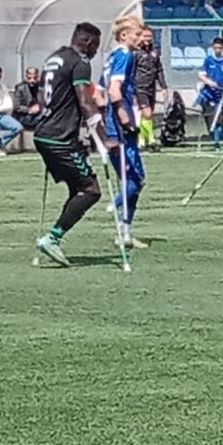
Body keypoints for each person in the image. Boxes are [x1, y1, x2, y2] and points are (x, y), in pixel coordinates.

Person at [33, 22, 105, 266]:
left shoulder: (54, 58)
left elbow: (42, 97)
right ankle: (52, 238)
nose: (95, 51)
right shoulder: (80, 62)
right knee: (91, 190)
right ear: (87, 42)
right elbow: (85, 102)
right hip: (59, 138)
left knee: (77, 190)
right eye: (95, 46)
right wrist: (103, 139)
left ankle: (55, 236)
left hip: (45, 133)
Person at [100, 15, 148, 250]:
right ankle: (115, 204)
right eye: (137, 34)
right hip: (120, 126)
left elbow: (98, 90)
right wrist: (123, 117)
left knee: (134, 180)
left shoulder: (111, 57)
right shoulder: (124, 55)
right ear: (124, 35)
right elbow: (113, 91)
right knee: (135, 180)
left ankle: (125, 231)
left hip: (113, 123)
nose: (141, 38)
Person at [195, 37, 223, 149]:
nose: (218, 50)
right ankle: (213, 138)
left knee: (219, 117)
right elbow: (201, 75)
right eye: (216, 48)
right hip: (209, 93)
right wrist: (209, 82)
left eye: (220, 48)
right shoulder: (208, 60)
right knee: (211, 117)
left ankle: (219, 141)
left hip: (221, 93)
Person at [134, 25, 167, 151]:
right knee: (146, 112)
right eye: (145, 36)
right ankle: (152, 139)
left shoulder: (155, 51)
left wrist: (163, 86)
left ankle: (142, 141)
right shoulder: (136, 52)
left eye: (149, 36)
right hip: (139, 87)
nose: (147, 39)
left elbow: (159, 69)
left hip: (151, 87)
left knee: (147, 115)